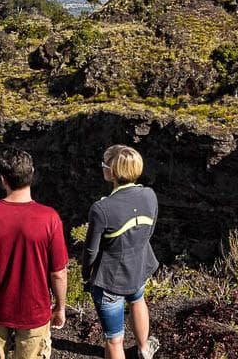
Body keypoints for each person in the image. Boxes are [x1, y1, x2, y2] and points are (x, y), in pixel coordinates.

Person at [0, 150, 69, 359]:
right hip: (35, 309)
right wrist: (60, 307)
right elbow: (58, 272)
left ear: (3, 179)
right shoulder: (49, 218)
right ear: (31, 174)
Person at [82, 145, 160, 359]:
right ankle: (144, 350)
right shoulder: (149, 195)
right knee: (137, 299)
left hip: (111, 278)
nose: (102, 167)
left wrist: (85, 274)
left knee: (114, 340)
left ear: (113, 172)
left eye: (104, 164)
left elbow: (91, 249)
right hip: (139, 268)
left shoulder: (102, 209)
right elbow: (149, 232)